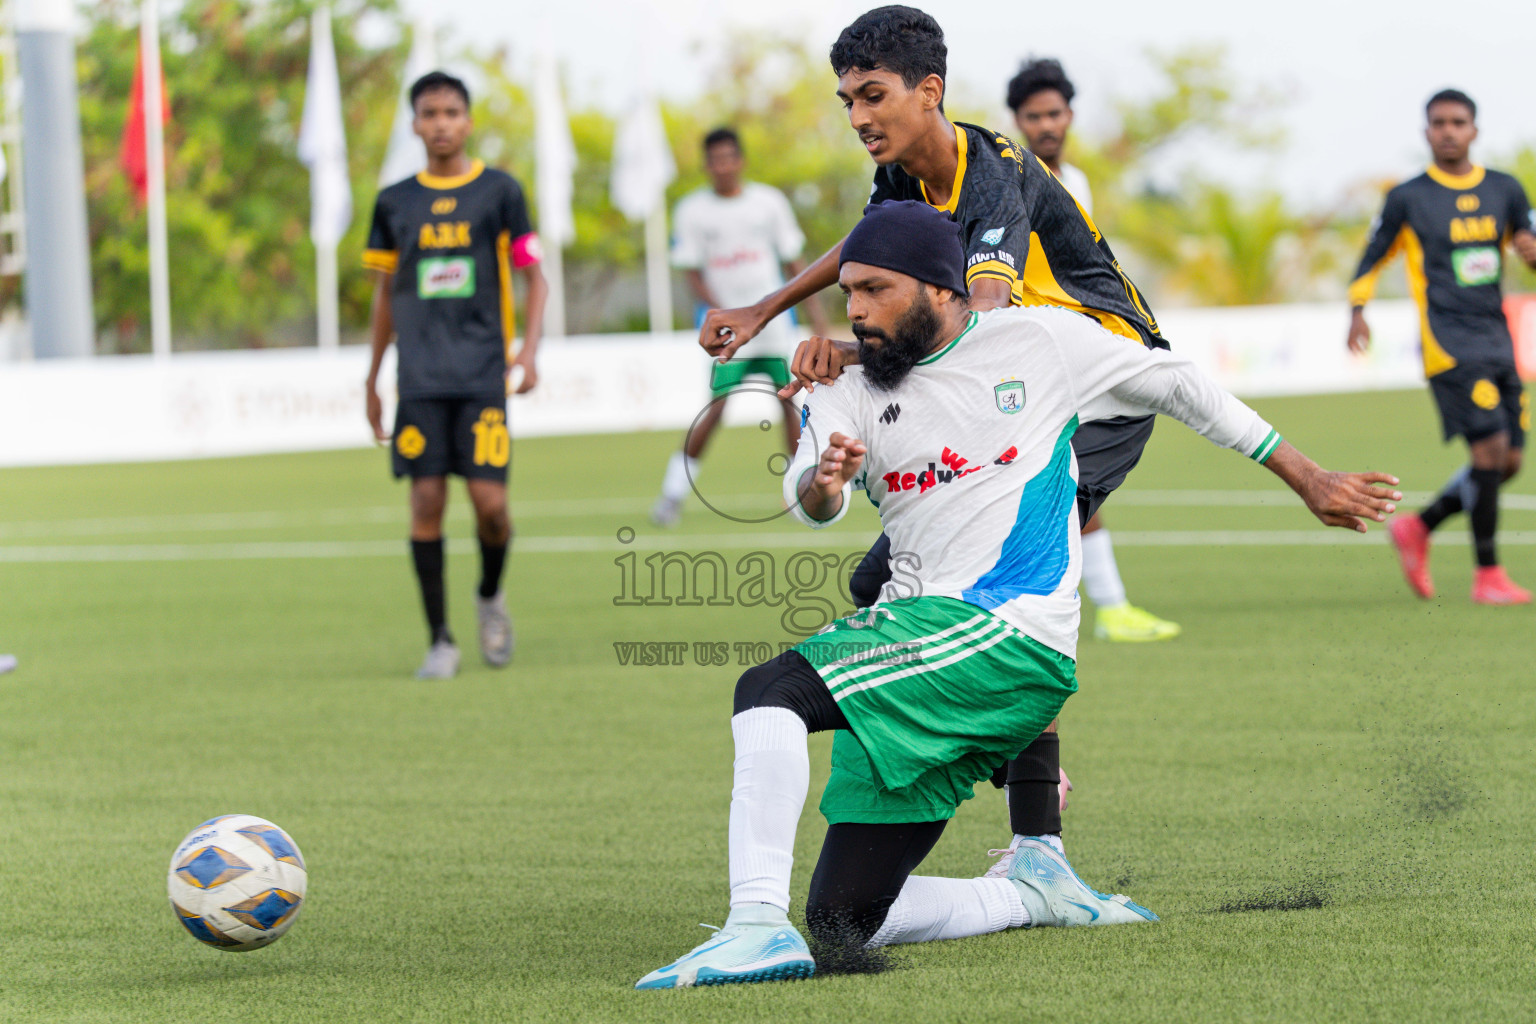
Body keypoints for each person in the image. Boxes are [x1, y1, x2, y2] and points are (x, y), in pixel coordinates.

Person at [636, 202, 1400, 988]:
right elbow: (810, 499)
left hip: (1008, 632)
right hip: (923, 637)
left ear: (941, 288)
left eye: (875, 291)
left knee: (769, 691)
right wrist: (824, 481)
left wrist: (1307, 476)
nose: (855, 312)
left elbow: (1179, 385)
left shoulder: (1041, 341)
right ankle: (1028, 895)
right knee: (844, 922)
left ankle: (754, 925)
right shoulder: (843, 384)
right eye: (851, 292)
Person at [697, 5, 1168, 881]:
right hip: (1021, 392)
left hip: (1096, 392)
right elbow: (861, 251)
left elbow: (979, 325)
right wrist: (764, 311)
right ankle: (1031, 823)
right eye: (846, 101)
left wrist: (854, 350)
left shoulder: (991, 172)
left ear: (930, 91)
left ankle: (1036, 836)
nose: (858, 117)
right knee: (883, 578)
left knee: (1018, 584)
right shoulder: (904, 179)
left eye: (872, 96)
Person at [362, 71, 548, 678]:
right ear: (414, 123)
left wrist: (529, 351)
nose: (440, 123)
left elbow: (534, 276)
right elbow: (386, 294)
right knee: (426, 500)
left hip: (480, 376)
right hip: (418, 378)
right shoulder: (394, 202)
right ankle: (440, 640)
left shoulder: (499, 191)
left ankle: (490, 595)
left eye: (450, 112)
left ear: (467, 121)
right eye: (428, 113)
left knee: (491, 506)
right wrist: (372, 377)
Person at [1006, 57, 1179, 643]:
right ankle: (1074, 601)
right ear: (1017, 121)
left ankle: (1106, 603)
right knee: (1046, 473)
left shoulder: (1074, 180)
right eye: (1034, 116)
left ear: (1070, 116)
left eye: (1054, 113)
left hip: (1070, 350)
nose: (1046, 125)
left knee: (1073, 471)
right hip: (1019, 350)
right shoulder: (1006, 178)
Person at [1349, 89, 1536, 604]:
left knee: (1510, 463)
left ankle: (1420, 526)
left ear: (1475, 130)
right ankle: (1489, 575)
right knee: (1490, 450)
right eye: (1438, 123)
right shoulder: (1409, 197)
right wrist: (1357, 309)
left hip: (1498, 339)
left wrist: (1531, 252)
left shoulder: (1505, 190)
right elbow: (1373, 254)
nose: (1448, 131)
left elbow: (1529, 244)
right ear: (1426, 132)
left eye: (1458, 122)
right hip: (1448, 345)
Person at [651, 128, 830, 526]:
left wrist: (817, 319)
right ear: (706, 165)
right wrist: (723, 315)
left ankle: (799, 490)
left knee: (788, 402)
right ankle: (672, 494)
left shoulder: (768, 203)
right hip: (729, 336)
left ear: (740, 160)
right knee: (714, 409)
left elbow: (794, 265)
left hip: (775, 327)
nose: (722, 166)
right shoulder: (692, 211)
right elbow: (692, 274)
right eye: (714, 159)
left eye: (729, 157)